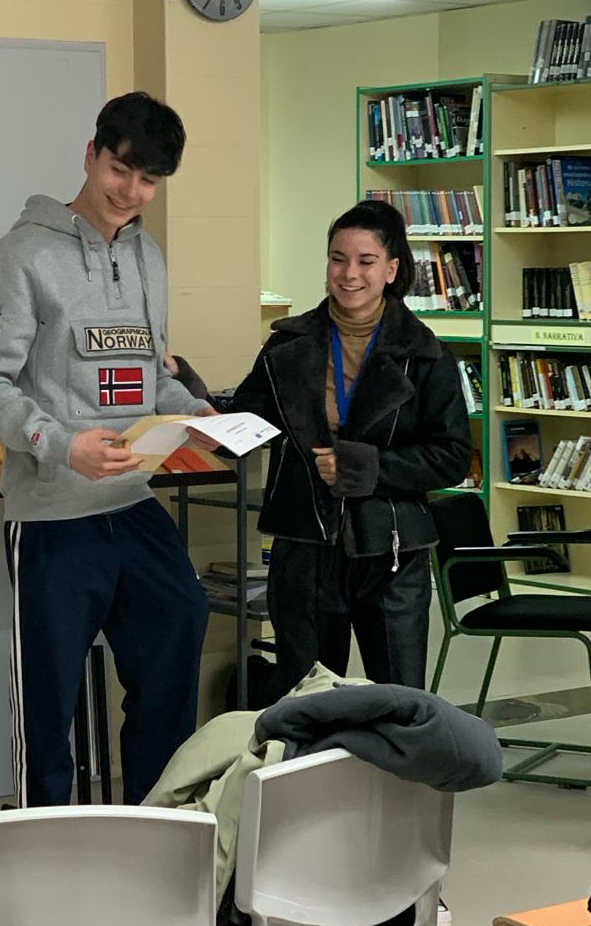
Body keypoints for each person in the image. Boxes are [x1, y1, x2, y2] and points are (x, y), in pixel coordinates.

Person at [0, 92, 213, 808]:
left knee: (181, 622)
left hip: (131, 503)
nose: (130, 191)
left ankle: (154, 822)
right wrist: (62, 445)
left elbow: (149, 375)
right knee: (48, 702)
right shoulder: (20, 256)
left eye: (148, 180)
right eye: (119, 169)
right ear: (90, 154)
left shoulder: (147, 258)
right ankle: (41, 841)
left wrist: (191, 412)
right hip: (52, 515)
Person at [178, 198, 470, 697]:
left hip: (391, 551)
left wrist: (364, 467)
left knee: (398, 701)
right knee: (307, 701)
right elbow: (251, 421)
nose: (349, 273)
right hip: (304, 546)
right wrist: (204, 413)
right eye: (338, 259)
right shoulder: (286, 345)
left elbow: (452, 457)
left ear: (392, 269)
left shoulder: (426, 355)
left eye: (365, 260)